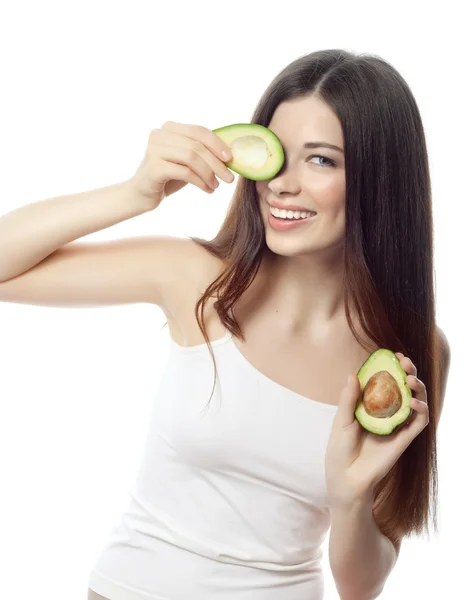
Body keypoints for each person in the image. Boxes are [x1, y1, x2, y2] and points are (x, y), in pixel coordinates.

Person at [0, 49, 450, 600]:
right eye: (275, 154)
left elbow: (361, 587)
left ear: (379, 182)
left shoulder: (412, 351)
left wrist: (350, 494)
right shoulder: (194, 279)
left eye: (322, 160)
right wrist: (132, 194)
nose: (281, 184)